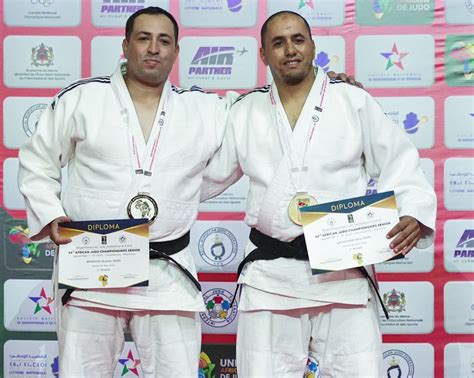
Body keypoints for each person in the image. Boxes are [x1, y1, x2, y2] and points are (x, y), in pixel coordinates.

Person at [201, 10, 436, 377]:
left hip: (343, 273)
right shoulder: (244, 112)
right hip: (270, 278)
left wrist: (414, 211)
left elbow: (399, 159)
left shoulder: (351, 101)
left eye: (298, 40)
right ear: (263, 54)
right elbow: (205, 179)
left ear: (313, 46)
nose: (289, 50)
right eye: (277, 43)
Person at [17, 7, 236, 377]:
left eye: (164, 41)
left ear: (176, 52)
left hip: (168, 269)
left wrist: (330, 88)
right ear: (125, 45)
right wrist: (50, 213)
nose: (154, 48)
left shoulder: (204, 108)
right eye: (143, 38)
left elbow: (261, 114)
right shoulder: (82, 99)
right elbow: (38, 159)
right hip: (92, 267)